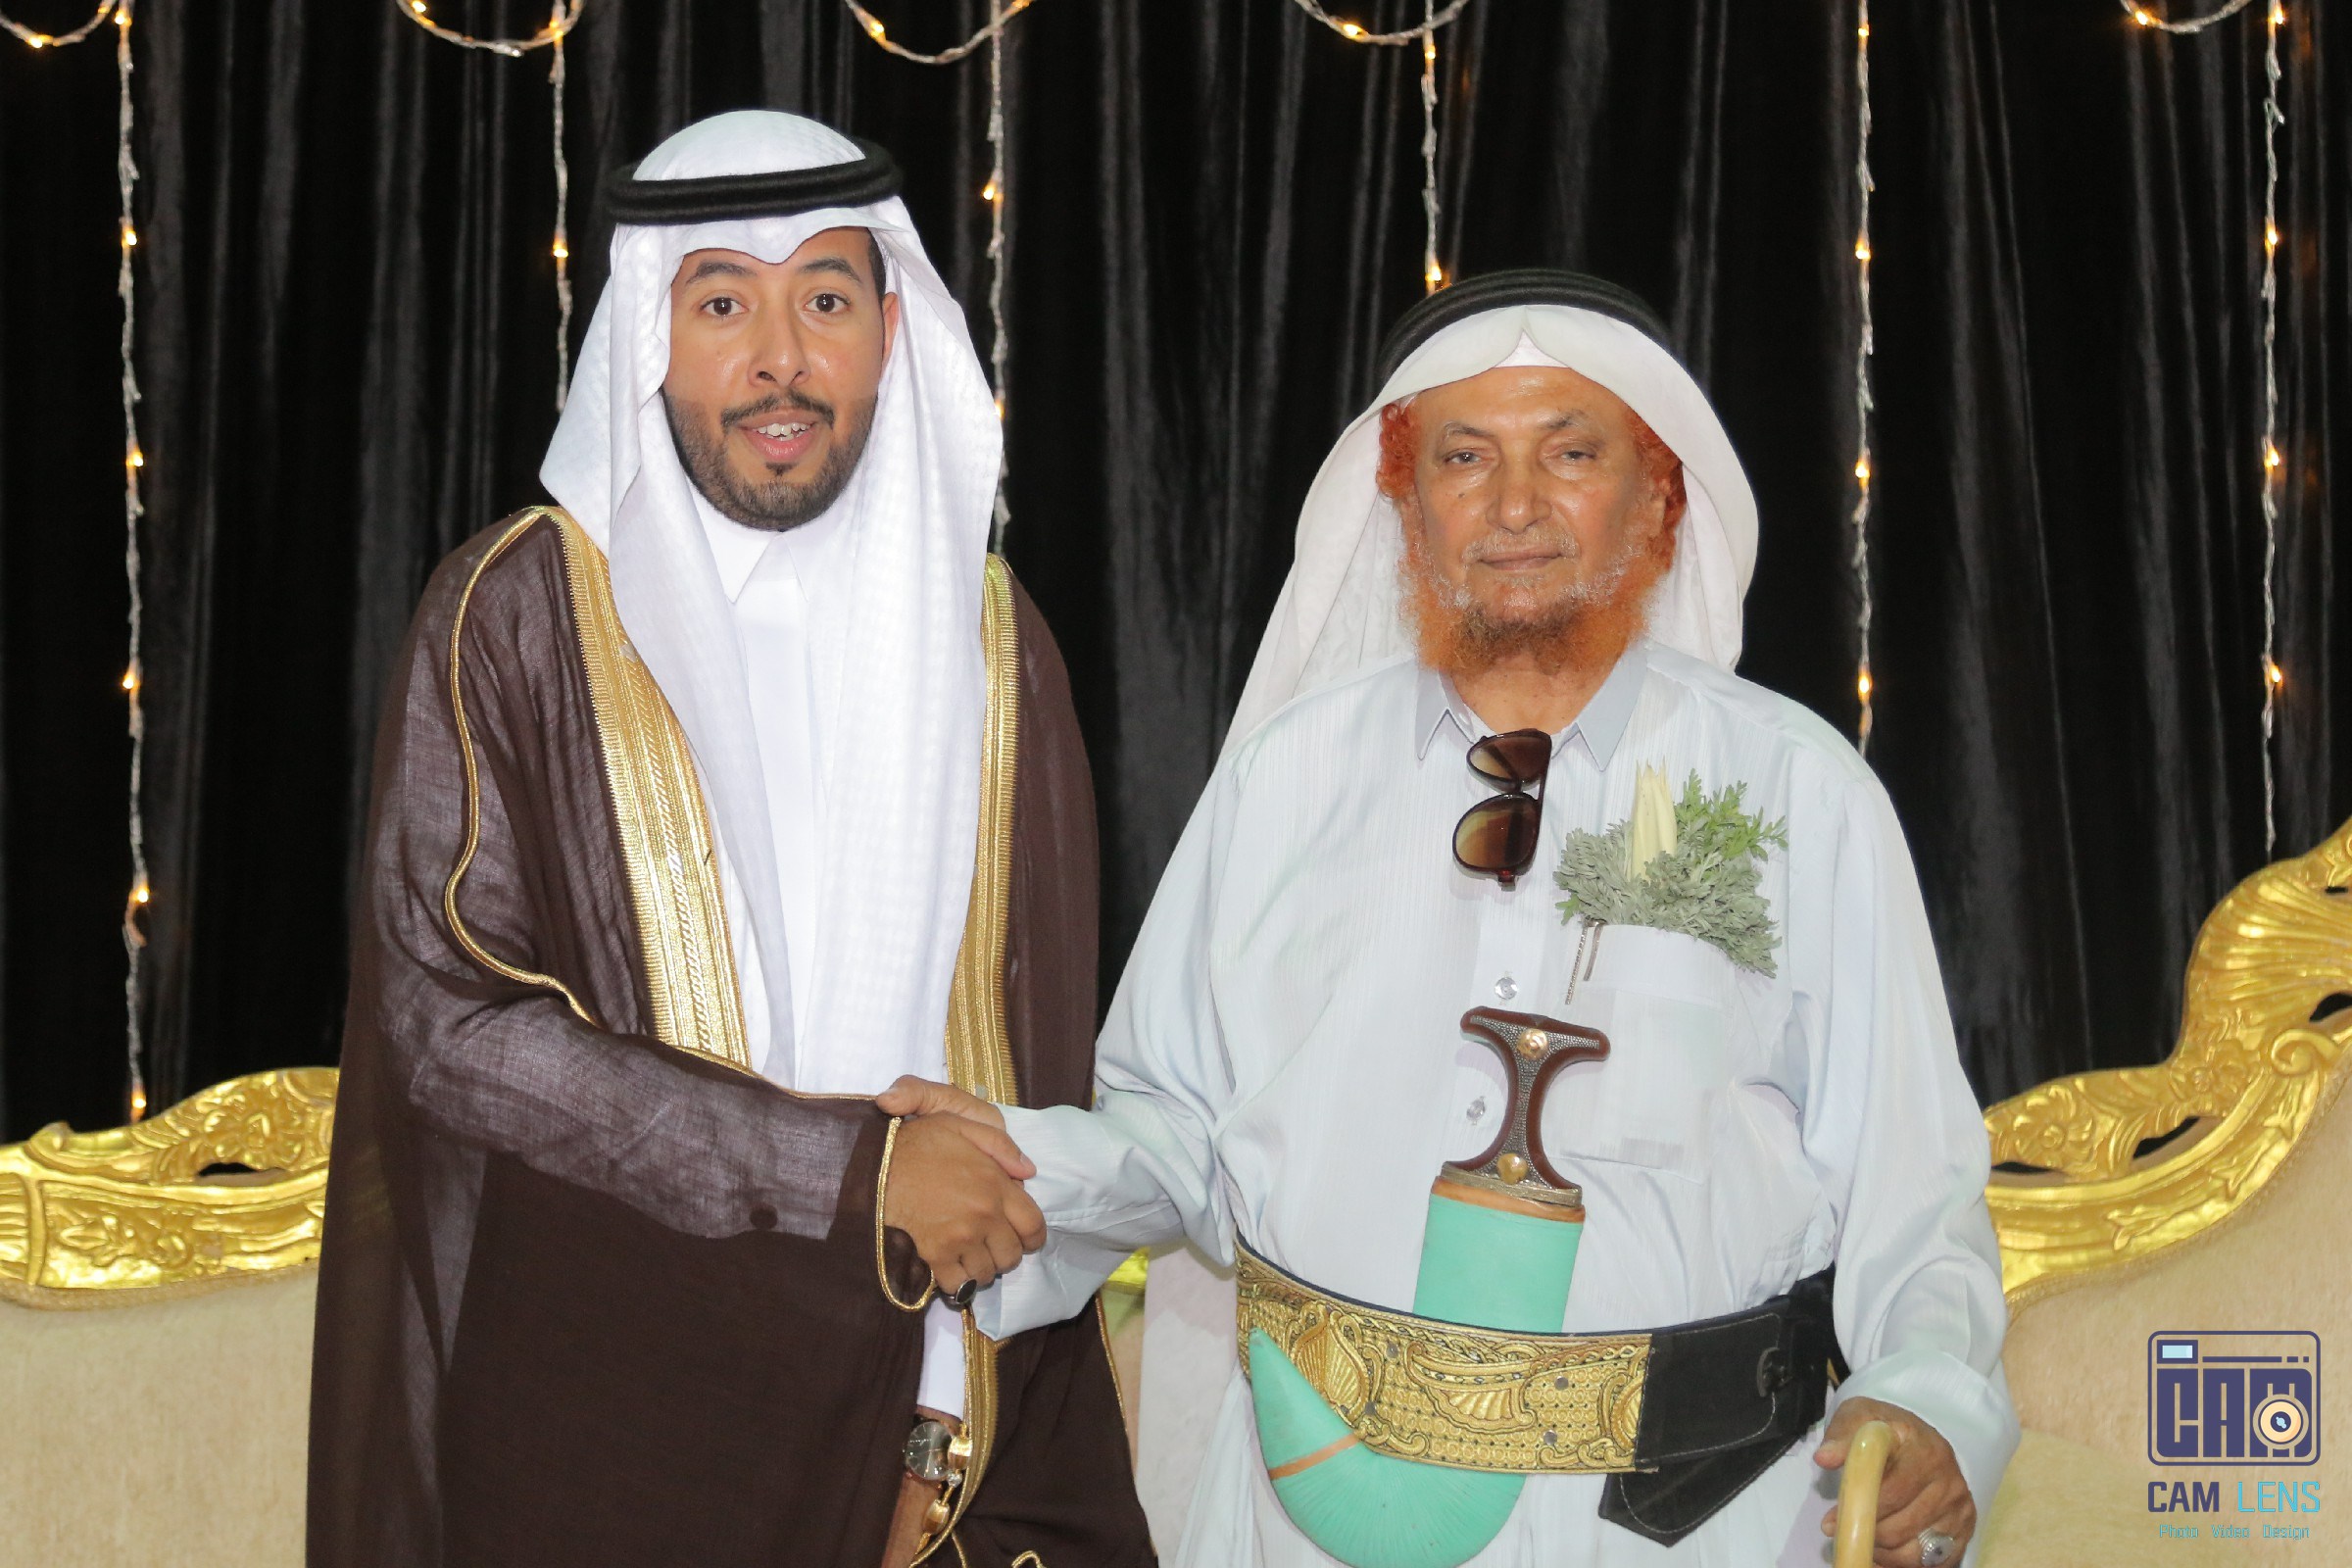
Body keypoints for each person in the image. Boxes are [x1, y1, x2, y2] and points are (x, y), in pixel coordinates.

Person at [885, 270, 2017, 1566]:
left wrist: (1928, 1396)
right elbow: (1181, 1131)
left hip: (1691, 1528)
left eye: (1571, 454)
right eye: (1465, 457)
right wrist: (1012, 1163)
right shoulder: (1285, 780)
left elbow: (1914, 1192)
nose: (1515, 506)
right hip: (1315, 1521)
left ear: (1657, 498)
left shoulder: (1794, 793)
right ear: (1406, 501)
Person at [308, 110, 1151, 1568]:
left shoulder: (995, 639)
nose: (780, 360)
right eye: (722, 307)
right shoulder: (514, 613)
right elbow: (452, 1026)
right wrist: (848, 1176)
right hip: (622, 1433)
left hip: (946, 1429)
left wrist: (939, 1397)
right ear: (651, 331)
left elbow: (1030, 1054)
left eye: (825, 299)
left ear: (891, 327)